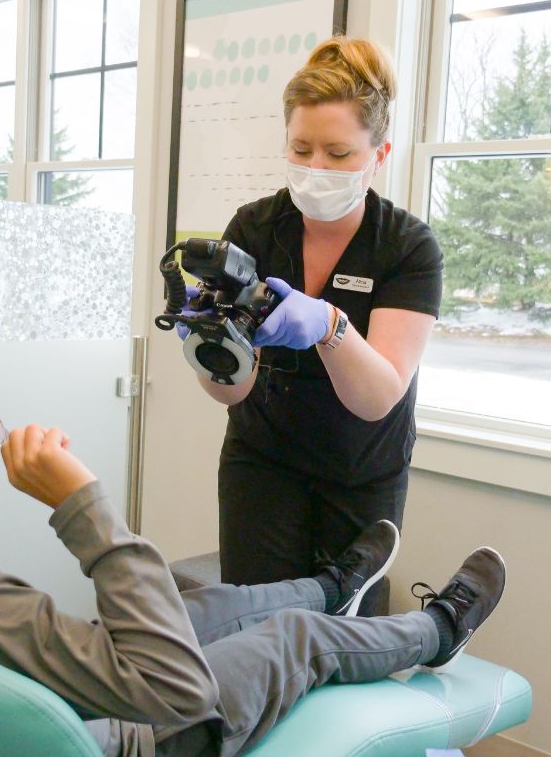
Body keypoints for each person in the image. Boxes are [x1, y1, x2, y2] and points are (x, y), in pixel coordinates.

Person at [0, 275, 503, 757]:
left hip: (62, 695)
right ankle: (438, 633)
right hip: (139, 735)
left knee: (204, 602)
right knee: (295, 639)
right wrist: (81, 505)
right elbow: (177, 690)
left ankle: (327, 585)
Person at [188, 36, 443, 616]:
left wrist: (331, 326)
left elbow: (378, 397)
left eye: (337, 153)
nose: (315, 168)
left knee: (344, 642)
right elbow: (233, 390)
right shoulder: (254, 229)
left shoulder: (407, 248)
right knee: (256, 628)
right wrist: (213, 348)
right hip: (263, 460)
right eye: (301, 150)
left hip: (361, 472)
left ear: (379, 155)